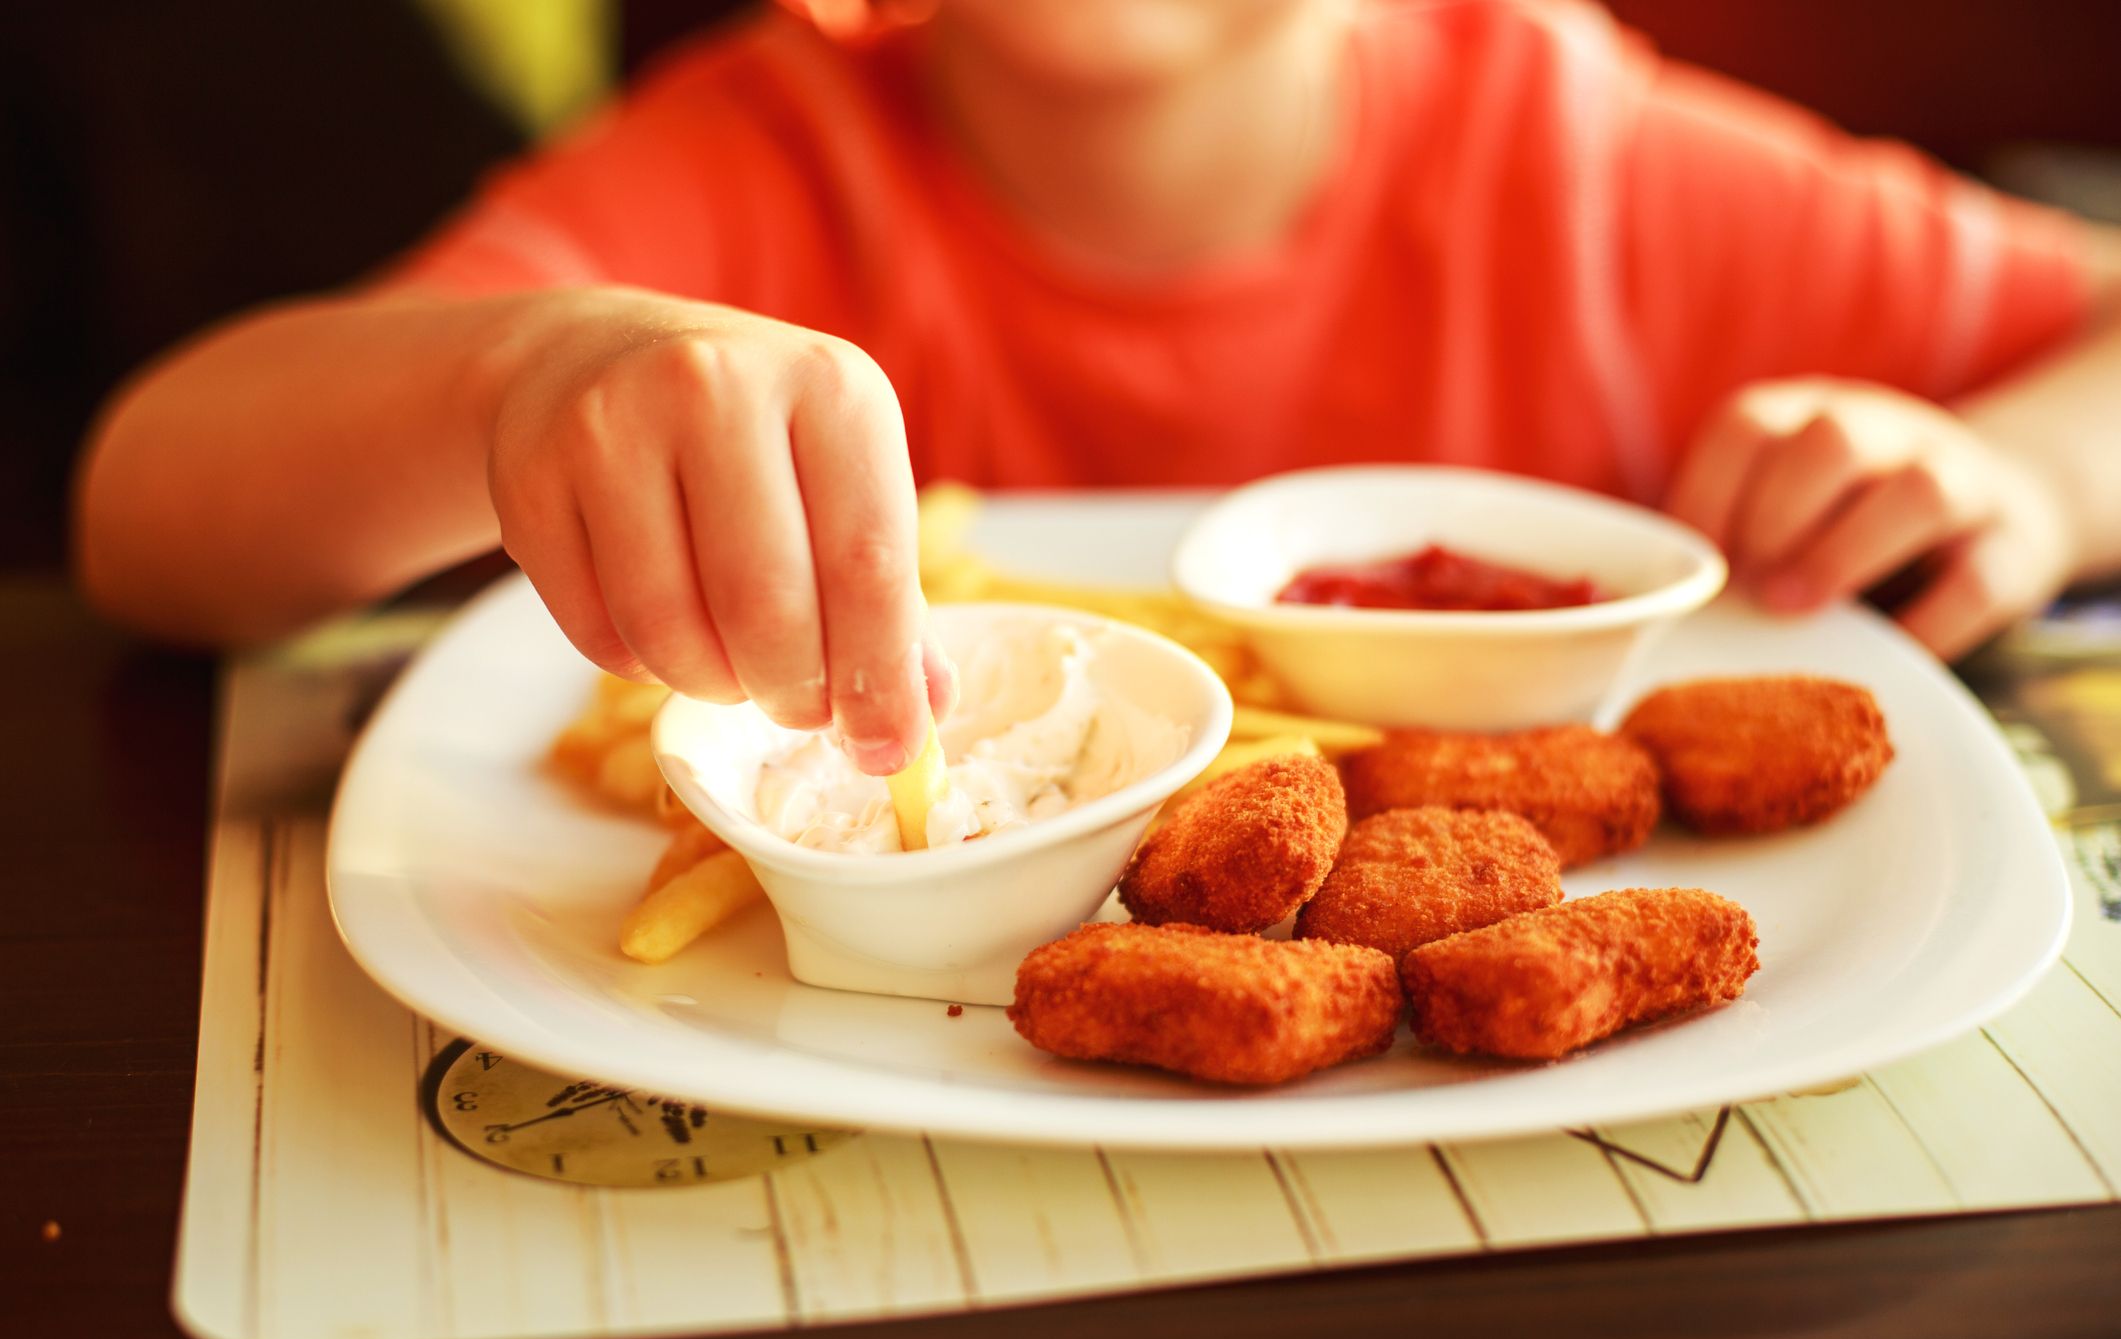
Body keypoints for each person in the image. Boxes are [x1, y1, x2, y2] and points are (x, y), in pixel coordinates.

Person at [74, 0, 2121, 777]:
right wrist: (515, 378)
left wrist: (2020, 473)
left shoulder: (1584, 162)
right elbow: (147, 510)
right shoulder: (751, 161)